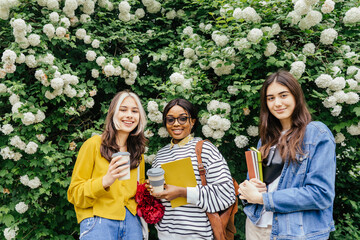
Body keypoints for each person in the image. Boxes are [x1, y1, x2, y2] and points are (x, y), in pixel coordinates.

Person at [239, 70, 336, 240]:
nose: (277, 103)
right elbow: (255, 188)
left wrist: (264, 198)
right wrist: (248, 190)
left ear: (296, 96)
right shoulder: (265, 139)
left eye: (283, 95)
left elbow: (321, 194)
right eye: (271, 98)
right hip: (255, 227)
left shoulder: (316, 134)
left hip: (295, 232)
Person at [147, 98, 236, 240]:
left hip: (198, 235)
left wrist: (182, 192)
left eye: (182, 119)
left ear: (192, 121)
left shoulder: (204, 149)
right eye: (170, 120)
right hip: (164, 235)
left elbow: (227, 194)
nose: (176, 123)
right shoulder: (160, 155)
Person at [67, 90, 147, 240]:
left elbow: (140, 192)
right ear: (113, 113)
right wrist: (105, 181)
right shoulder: (93, 145)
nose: (129, 115)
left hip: (132, 223)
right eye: (123, 110)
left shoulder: (138, 152)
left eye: (134, 111)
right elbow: (74, 193)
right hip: (98, 221)